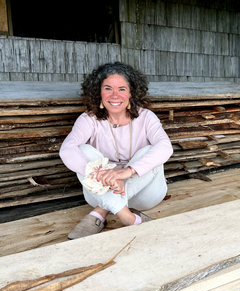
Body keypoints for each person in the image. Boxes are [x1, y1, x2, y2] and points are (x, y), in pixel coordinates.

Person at [60, 62, 173, 240]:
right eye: (108, 88)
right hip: (101, 191)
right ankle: (128, 217)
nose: (115, 95)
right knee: (82, 150)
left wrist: (126, 173)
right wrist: (104, 175)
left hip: (145, 195)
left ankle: (100, 212)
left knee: (151, 150)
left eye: (121, 89)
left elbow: (165, 147)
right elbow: (67, 149)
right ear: (99, 92)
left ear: (131, 93)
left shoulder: (146, 117)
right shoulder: (89, 119)